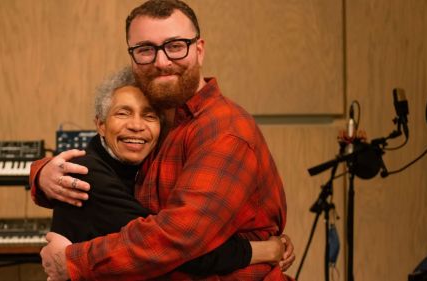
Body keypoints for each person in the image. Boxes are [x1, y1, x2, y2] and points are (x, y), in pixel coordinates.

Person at [34, 0, 294, 279]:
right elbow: (104, 172)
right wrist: (41, 174)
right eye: (146, 49)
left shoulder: (223, 131)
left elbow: (176, 239)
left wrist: (73, 261)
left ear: (199, 50)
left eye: (175, 46)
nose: (161, 61)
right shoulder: (165, 121)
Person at [49, 66, 289, 276]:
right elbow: (168, 250)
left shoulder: (136, 167)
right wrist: (263, 249)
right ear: (100, 125)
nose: (136, 125)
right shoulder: (87, 174)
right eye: (123, 113)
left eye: (149, 115)